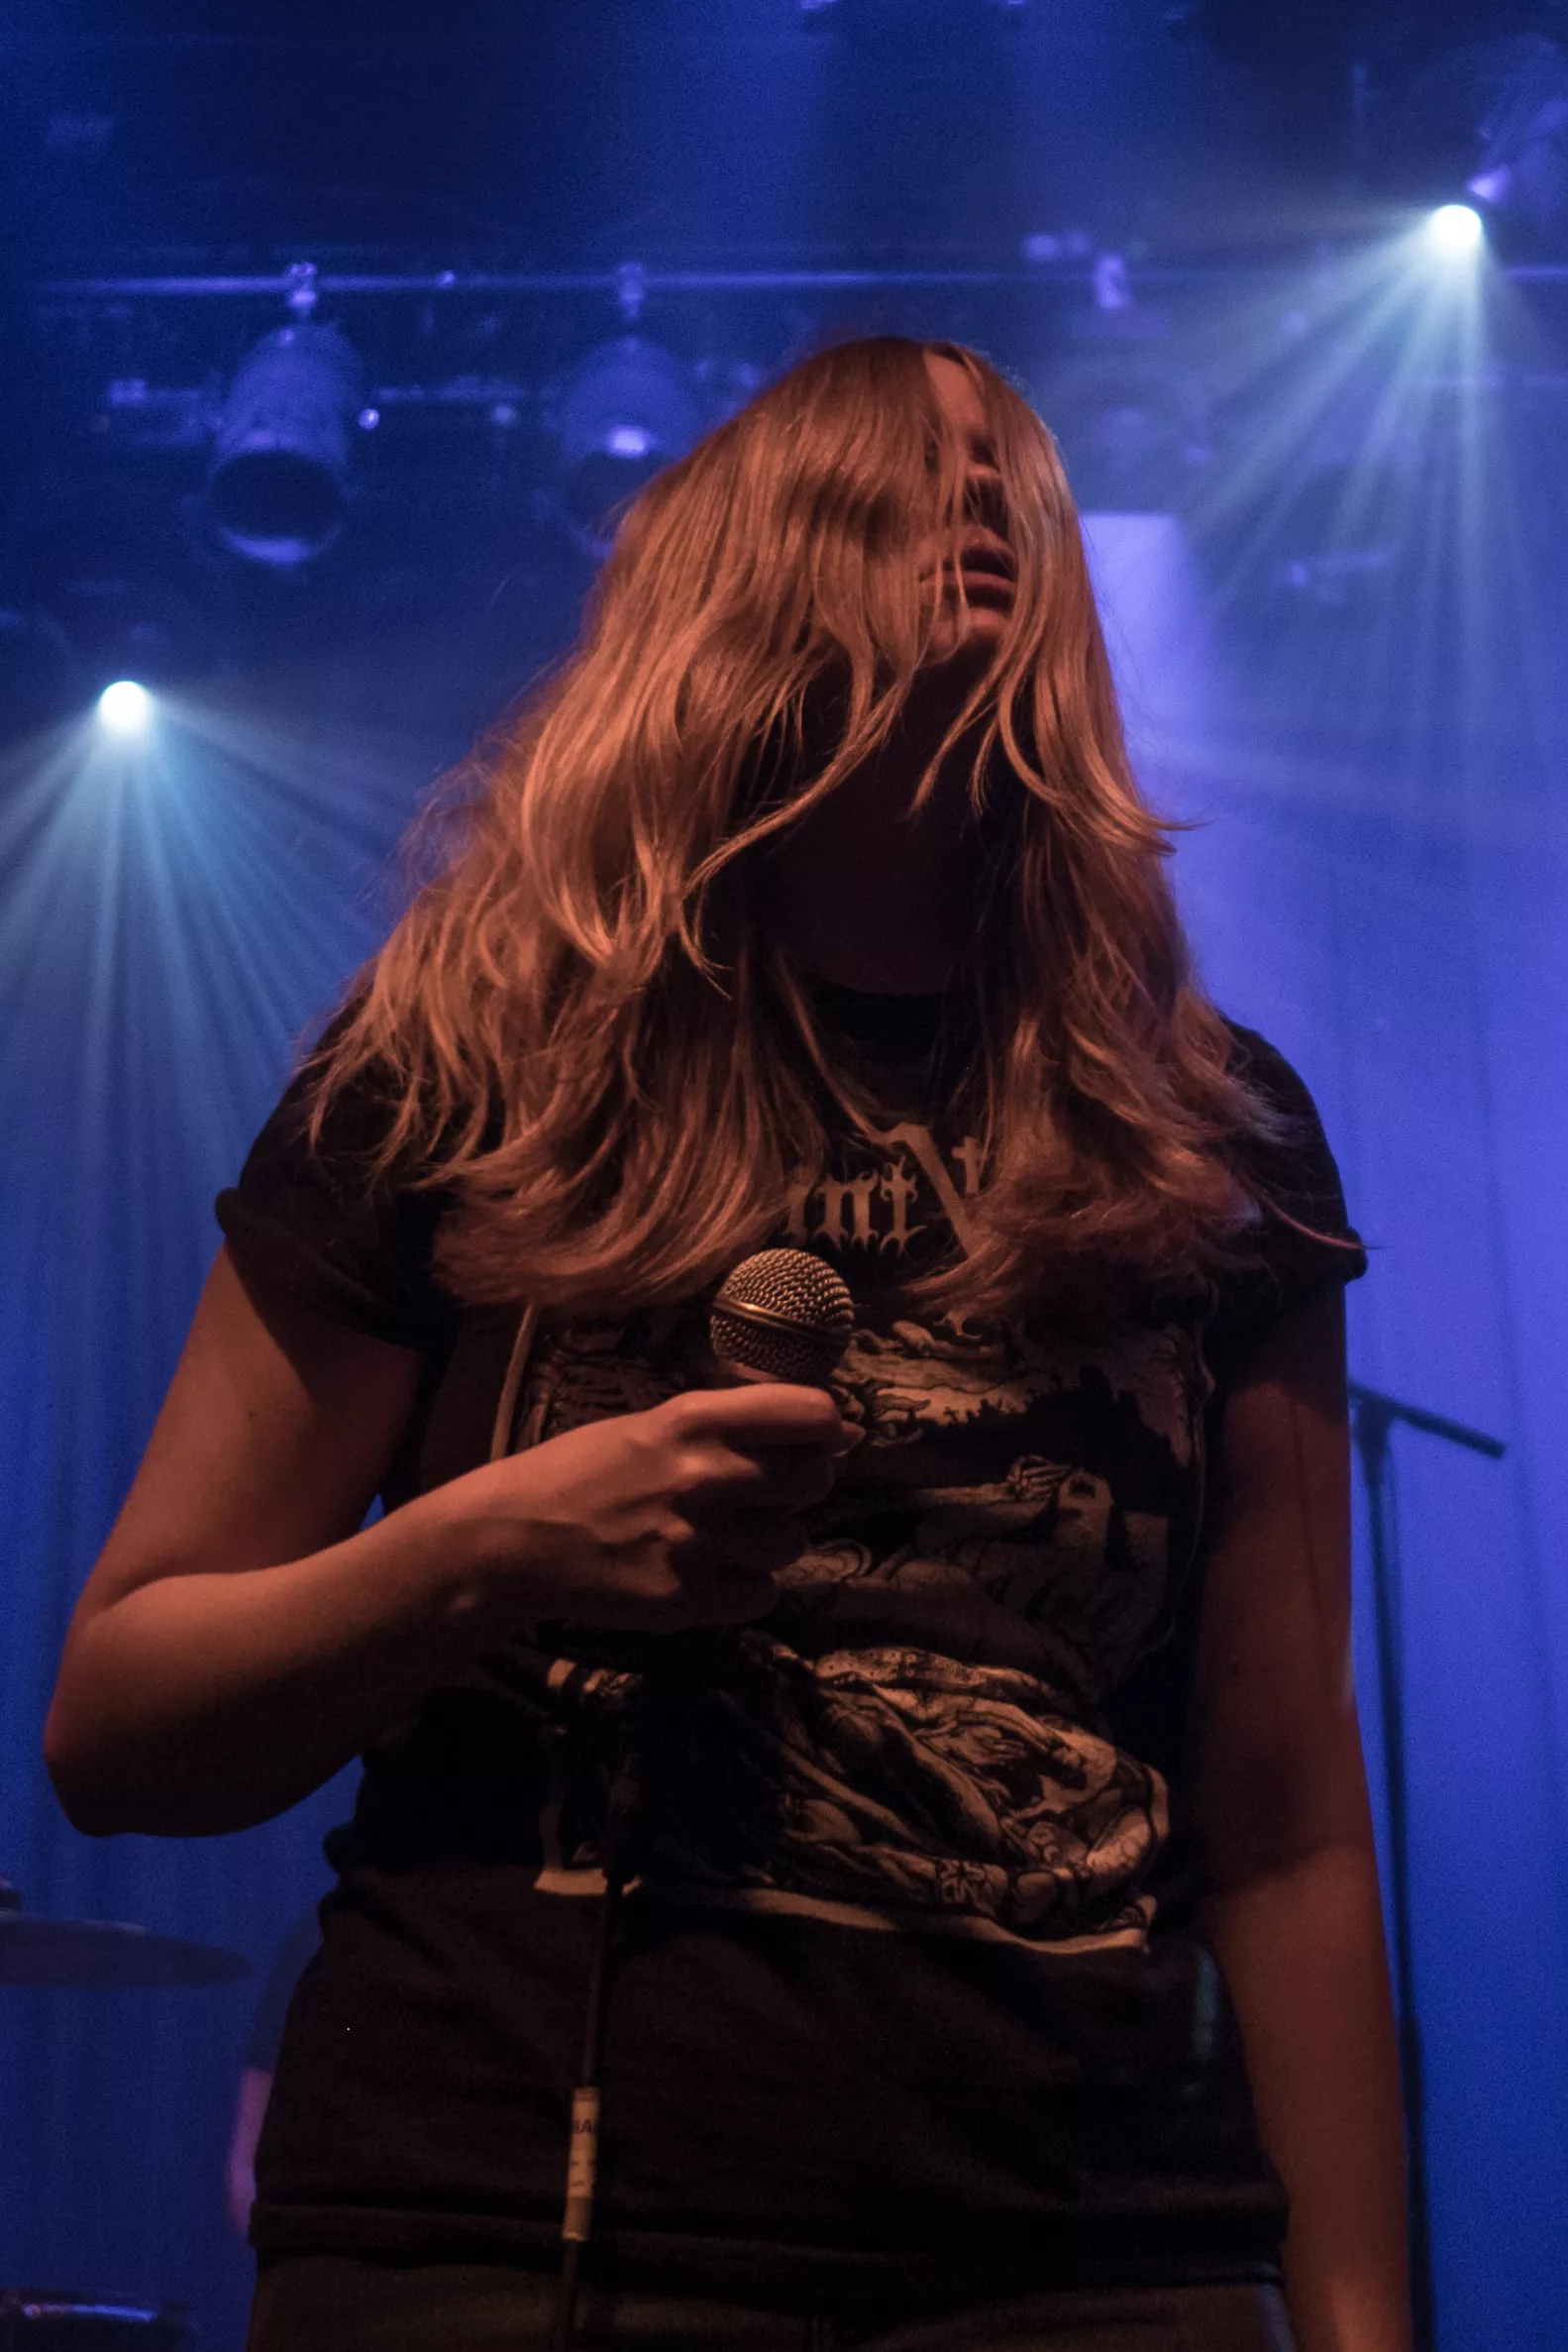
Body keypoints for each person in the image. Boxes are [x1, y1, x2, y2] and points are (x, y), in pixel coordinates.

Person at [44, 337, 1411, 2352]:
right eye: (909, 463)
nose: (981, 494)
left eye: (1007, 469)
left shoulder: (1208, 1125)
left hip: (1090, 2254)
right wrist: (489, 1545)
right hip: (510, 2227)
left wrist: (1364, 2323)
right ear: (746, 561)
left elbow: (1285, 1826)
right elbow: (118, 1720)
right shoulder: (461, 1064)